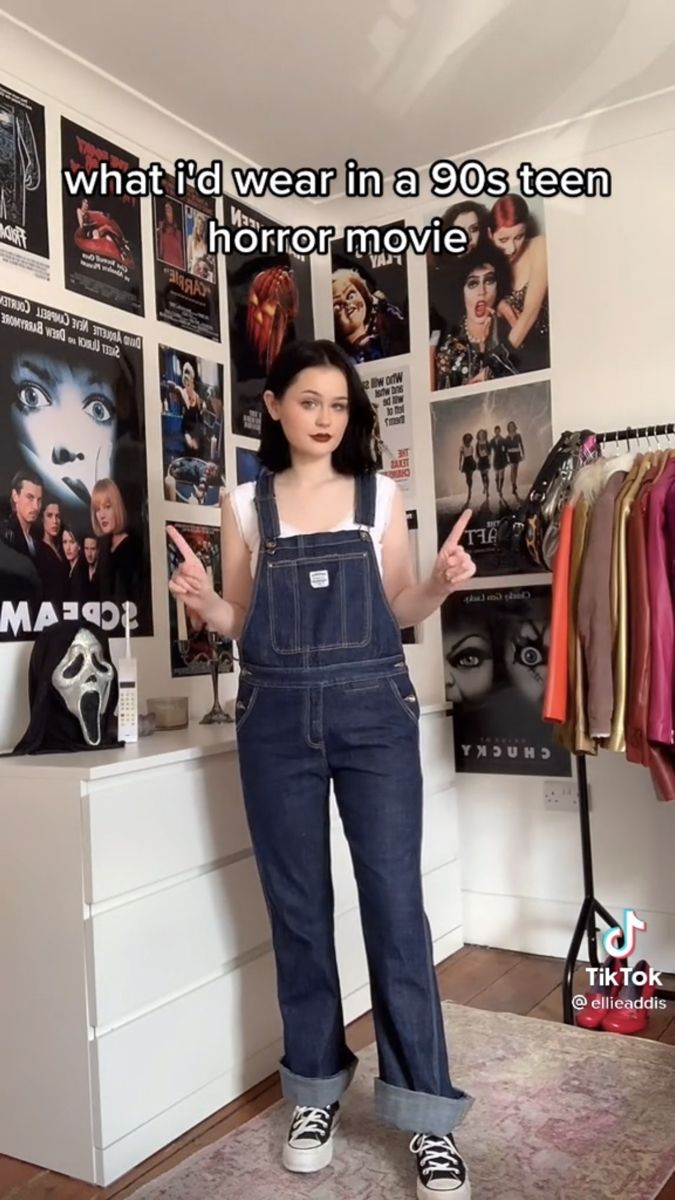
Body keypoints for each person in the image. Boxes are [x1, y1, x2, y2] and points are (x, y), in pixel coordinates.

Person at [167, 339, 476, 1199]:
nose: (325, 419)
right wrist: (204, 606)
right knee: (297, 910)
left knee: (392, 908)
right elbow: (241, 619)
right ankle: (312, 1086)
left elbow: (398, 607)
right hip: (274, 719)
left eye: (338, 405)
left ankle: (423, 1110)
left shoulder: (381, 494)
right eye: (309, 402)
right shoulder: (242, 502)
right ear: (274, 408)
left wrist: (442, 584)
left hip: (373, 714)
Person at [433, 244, 516, 390]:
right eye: (473, 284)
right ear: (460, 291)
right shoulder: (446, 344)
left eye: (489, 281)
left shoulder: (509, 329)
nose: (482, 291)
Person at [488, 194, 550, 373]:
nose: (512, 248)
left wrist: (494, 366)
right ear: (490, 235)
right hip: (512, 356)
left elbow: (530, 312)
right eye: (503, 240)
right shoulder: (487, 262)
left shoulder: (539, 246)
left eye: (519, 237)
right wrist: (499, 303)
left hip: (542, 353)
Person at [91, 478, 141, 630]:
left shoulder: (132, 546)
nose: (101, 515)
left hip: (127, 630)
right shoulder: (104, 545)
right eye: (97, 509)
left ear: (117, 507)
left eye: (107, 507)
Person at [331, 268, 408, 363]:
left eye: (351, 296)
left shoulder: (384, 338)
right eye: (337, 306)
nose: (348, 304)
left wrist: (383, 305)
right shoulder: (343, 359)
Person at [1, 470, 42, 558]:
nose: (36, 506)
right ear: (15, 496)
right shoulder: (4, 534)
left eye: (39, 500)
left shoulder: (37, 540)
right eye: (30, 497)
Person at [36, 498, 68, 606]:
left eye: (57, 516)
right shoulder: (39, 550)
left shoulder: (62, 548)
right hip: (49, 611)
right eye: (49, 515)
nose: (54, 521)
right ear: (42, 518)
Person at [156, 199, 184, 268]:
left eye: (169, 208)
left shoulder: (178, 232)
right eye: (166, 208)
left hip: (178, 265)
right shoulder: (161, 228)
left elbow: (180, 252)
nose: (167, 210)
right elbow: (160, 249)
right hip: (166, 264)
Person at [505, 420, 525, 500]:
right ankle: (513, 484)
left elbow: (521, 445)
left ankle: (514, 482)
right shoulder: (507, 437)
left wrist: (523, 454)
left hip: (517, 453)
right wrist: (506, 456)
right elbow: (506, 448)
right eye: (510, 426)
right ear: (508, 428)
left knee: (515, 469)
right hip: (510, 453)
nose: (511, 427)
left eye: (512, 426)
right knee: (512, 468)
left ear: (514, 427)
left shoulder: (518, 436)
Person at [490, 425, 508, 506]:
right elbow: (489, 449)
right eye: (496, 431)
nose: (497, 432)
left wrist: (507, 458)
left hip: (502, 458)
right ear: (494, 431)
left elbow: (506, 449)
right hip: (495, 458)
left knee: (502, 474)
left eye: (498, 430)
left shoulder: (503, 440)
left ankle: (500, 488)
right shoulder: (492, 440)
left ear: (500, 431)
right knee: (497, 475)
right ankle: (498, 486)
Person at [458, 433, 476, 506]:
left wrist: (475, 462)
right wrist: (460, 465)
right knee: (467, 477)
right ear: (465, 438)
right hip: (466, 462)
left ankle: (469, 490)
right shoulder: (462, 447)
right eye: (467, 438)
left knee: (470, 476)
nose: (468, 439)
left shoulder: (471, 446)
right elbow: (461, 457)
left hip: (471, 461)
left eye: (469, 438)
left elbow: (472, 455)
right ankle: (469, 488)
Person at [475, 429, 491, 506]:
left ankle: (487, 489)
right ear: (478, 435)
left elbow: (490, 452)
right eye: (480, 434)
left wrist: (489, 460)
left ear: (485, 435)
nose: (481, 435)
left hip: (486, 459)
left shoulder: (487, 442)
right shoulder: (477, 443)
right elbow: (476, 453)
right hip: (481, 460)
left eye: (483, 434)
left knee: (486, 475)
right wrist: (476, 461)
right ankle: (484, 486)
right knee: (482, 475)